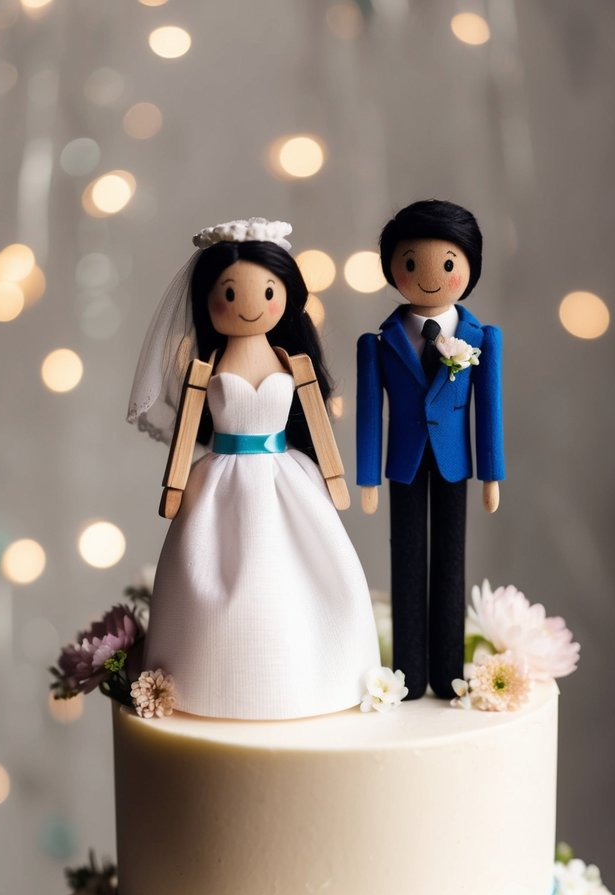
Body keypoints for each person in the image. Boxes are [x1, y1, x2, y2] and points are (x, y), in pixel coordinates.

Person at [127, 218, 379, 720]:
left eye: (267, 291)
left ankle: (314, 672)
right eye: (231, 294)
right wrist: (174, 485)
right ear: (208, 300)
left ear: (285, 293)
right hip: (220, 482)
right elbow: (184, 437)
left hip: (289, 479)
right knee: (212, 577)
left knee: (302, 576)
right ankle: (211, 677)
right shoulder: (205, 370)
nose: (250, 305)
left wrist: (333, 478)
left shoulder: (293, 365)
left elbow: (318, 426)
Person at [356, 199, 505, 700]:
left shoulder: (481, 338)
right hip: (402, 462)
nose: (430, 276)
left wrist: (492, 474)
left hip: (454, 464)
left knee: (450, 563)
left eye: (447, 264)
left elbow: (490, 412)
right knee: (406, 566)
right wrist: (367, 478)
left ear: (468, 269)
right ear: (394, 270)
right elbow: (369, 415)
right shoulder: (379, 343)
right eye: (412, 263)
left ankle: (447, 672)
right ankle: (409, 675)